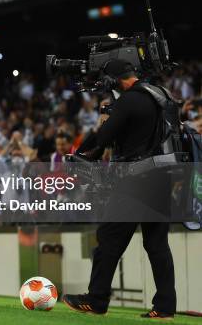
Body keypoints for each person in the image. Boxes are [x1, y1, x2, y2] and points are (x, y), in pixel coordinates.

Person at [63, 59, 177, 319]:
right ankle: (165, 307)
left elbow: (103, 140)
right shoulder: (159, 93)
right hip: (163, 176)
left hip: (137, 179)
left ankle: (96, 299)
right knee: (158, 244)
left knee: (109, 239)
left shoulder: (127, 101)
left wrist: (103, 122)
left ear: (114, 81)